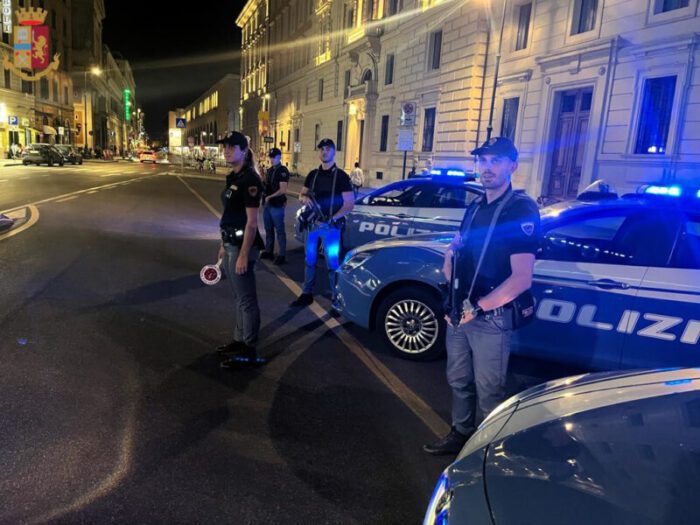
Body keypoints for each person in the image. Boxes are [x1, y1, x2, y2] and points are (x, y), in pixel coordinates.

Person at [423, 137, 541, 455]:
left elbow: (521, 278)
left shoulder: (520, 209)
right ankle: (461, 433)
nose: (487, 168)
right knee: (458, 378)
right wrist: (450, 263)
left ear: (512, 166)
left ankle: (485, 450)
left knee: (489, 388)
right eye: (483, 161)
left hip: (490, 316)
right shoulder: (475, 206)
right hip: (460, 310)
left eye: (496, 161)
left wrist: (478, 308)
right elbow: (457, 249)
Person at [214, 131, 266, 368]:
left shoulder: (250, 180)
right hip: (231, 243)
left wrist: (243, 254)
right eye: (225, 146)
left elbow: (252, 223)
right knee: (238, 297)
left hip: (242, 245)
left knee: (247, 300)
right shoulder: (233, 177)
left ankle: (249, 350)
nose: (226, 150)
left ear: (244, 150)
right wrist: (223, 245)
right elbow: (229, 216)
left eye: (232, 147)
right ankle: (238, 340)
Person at [290, 138, 354, 308]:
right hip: (313, 225)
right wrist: (304, 198)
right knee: (309, 260)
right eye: (322, 149)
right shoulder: (313, 174)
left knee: (332, 263)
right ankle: (306, 293)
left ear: (333, 151)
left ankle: (336, 298)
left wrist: (333, 219)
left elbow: (349, 204)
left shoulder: (341, 176)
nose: (324, 152)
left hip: (331, 227)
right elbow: (301, 194)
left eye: (328, 149)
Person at [260, 147, 290, 265]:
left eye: (274, 157)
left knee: (280, 230)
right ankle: (269, 251)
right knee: (268, 229)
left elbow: (283, 190)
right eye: (271, 157)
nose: (272, 160)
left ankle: (282, 255)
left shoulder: (282, 171)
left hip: (277, 204)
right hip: (268, 204)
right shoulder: (270, 170)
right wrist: (262, 178)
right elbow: (267, 185)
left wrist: (270, 197)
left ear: (279, 157)